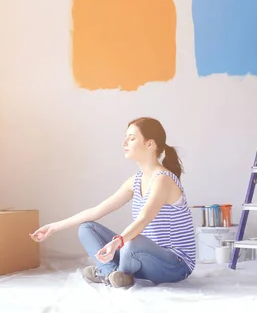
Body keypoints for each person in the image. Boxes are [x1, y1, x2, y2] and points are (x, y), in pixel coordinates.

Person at [30, 117, 196, 288]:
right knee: (87, 228)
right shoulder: (135, 181)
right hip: (141, 257)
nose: (124, 142)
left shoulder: (163, 179)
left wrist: (118, 241)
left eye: (131, 138)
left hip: (175, 265)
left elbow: (144, 218)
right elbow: (96, 211)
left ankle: (109, 272)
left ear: (150, 144)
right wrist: (53, 227)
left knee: (131, 242)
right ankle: (113, 274)